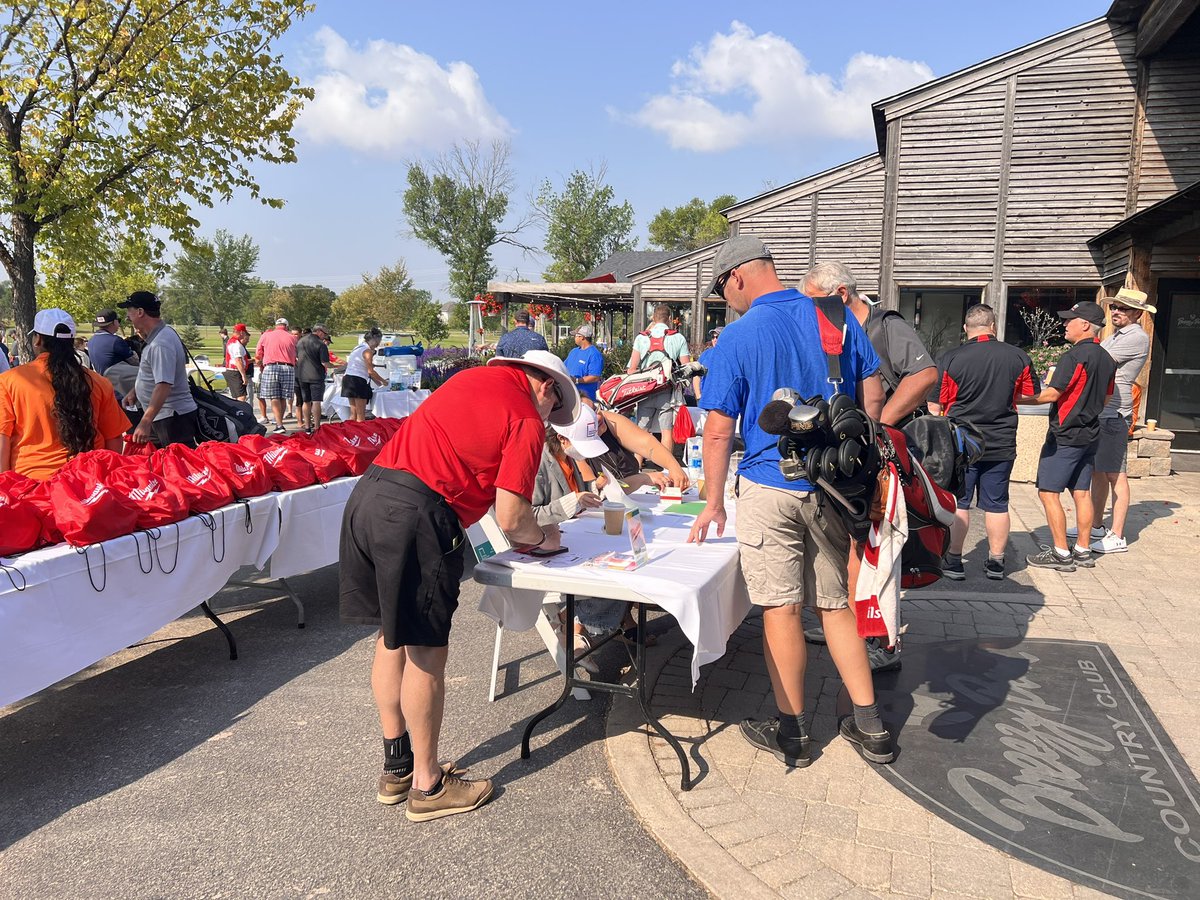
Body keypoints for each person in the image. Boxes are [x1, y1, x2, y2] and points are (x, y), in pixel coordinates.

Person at [339, 348, 580, 822]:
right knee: (425, 653)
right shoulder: (526, 417)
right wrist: (545, 538)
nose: (551, 419)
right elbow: (513, 518)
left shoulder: (470, 381)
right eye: (555, 408)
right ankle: (428, 787)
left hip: (370, 496)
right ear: (547, 387)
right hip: (417, 515)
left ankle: (399, 766)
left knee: (392, 639)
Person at [688, 235, 892, 769]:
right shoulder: (836, 317)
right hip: (830, 485)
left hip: (767, 482)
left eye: (720, 289)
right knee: (836, 605)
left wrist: (712, 502)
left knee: (780, 608)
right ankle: (870, 726)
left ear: (736, 278)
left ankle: (794, 735)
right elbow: (871, 385)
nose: (724, 299)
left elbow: (716, 432)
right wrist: (862, 445)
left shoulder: (737, 336)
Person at [927, 304, 1039, 580]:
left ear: (966, 329)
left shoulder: (951, 358)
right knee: (997, 503)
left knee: (961, 502)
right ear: (993, 327)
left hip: (962, 443)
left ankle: (954, 560)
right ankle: (996, 562)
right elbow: (1029, 394)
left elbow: (934, 405)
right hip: (1001, 442)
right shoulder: (1018, 356)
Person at [1022, 301, 1117, 572]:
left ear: (1085, 325)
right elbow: (1107, 397)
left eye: (1069, 320)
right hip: (1090, 432)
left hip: (1065, 434)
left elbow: (1052, 393)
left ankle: (1061, 553)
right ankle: (1083, 550)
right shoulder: (1107, 359)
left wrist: (1014, 396)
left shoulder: (1074, 356)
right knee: (1081, 492)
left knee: (1048, 492)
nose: (1064, 325)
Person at [0, 309, 130, 479]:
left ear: (38, 340)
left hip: (34, 486)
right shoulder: (98, 382)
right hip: (90, 483)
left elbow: (2, 440)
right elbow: (113, 438)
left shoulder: (10, 381)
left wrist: (5, 487)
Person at [803, 261, 937, 427]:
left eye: (814, 301)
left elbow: (925, 375)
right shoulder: (839, 334)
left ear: (842, 293)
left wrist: (878, 428)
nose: (811, 309)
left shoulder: (886, 325)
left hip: (896, 439)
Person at [1087, 289, 1154, 554]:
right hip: (1104, 410)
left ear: (1138, 313)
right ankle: (1095, 526)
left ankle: (1117, 535)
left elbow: (1098, 362)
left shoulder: (1136, 337)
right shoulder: (1115, 335)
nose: (1116, 312)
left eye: (1124, 308)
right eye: (1114, 306)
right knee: (1098, 471)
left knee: (1116, 473)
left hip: (1115, 412)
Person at [121, 291, 202, 448]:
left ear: (140, 312)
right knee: (162, 464)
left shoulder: (160, 343)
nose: (127, 316)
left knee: (178, 466)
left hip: (171, 417)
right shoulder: (160, 335)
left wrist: (145, 421)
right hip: (165, 415)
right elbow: (155, 375)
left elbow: (164, 385)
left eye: (129, 310)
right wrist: (136, 391)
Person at [626, 304, 691, 458]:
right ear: (669, 319)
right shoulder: (678, 337)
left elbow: (631, 369)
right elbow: (687, 368)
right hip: (666, 391)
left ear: (653, 318)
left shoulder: (642, 337)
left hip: (645, 390)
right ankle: (666, 469)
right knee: (666, 432)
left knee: (642, 431)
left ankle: (637, 466)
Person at [254, 317, 298, 434]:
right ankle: (280, 422)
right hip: (288, 367)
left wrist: (260, 365)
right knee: (283, 397)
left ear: (276, 325)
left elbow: (258, 354)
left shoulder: (266, 336)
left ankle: (279, 424)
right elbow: (297, 354)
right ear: (286, 326)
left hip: (271, 366)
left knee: (274, 397)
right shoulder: (292, 338)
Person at [341, 328, 386, 422]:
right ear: (374, 340)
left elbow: (363, 368)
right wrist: (384, 381)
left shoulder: (357, 347)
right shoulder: (367, 351)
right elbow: (370, 372)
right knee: (361, 415)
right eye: (378, 342)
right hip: (358, 381)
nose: (377, 345)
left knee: (353, 414)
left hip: (348, 379)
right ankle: (360, 434)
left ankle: (351, 433)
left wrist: (378, 383)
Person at [295, 323, 331, 433]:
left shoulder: (300, 341)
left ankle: (307, 426)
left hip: (302, 375)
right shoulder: (320, 344)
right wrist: (336, 366)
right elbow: (325, 363)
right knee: (316, 402)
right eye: (324, 334)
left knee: (306, 401)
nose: (324, 336)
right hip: (316, 376)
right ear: (319, 331)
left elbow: (297, 357)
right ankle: (317, 427)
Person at [86, 309, 137, 375]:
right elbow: (135, 362)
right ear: (114, 322)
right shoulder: (115, 341)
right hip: (118, 381)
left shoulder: (91, 340)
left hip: (101, 380)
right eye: (118, 321)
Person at [564, 323, 603, 405]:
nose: (574, 338)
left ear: (582, 337)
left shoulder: (594, 354)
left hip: (586, 400)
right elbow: (564, 367)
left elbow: (595, 377)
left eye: (576, 335)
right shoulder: (574, 351)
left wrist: (577, 380)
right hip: (570, 396)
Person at [693, 327, 722, 401]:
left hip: (722, 400)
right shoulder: (705, 354)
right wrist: (698, 395)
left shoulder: (730, 355)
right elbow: (696, 375)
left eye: (717, 337)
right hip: (705, 398)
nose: (715, 339)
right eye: (713, 337)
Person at [224, 329, 250, 403]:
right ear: (241, 333)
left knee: (236, 396)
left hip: (232, 371)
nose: (247, 340)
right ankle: (241, 412)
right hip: (235, 371)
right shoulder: (236, 344)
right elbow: (238, 361)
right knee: (241, 396)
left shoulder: (233, 342)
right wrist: (243, 376)